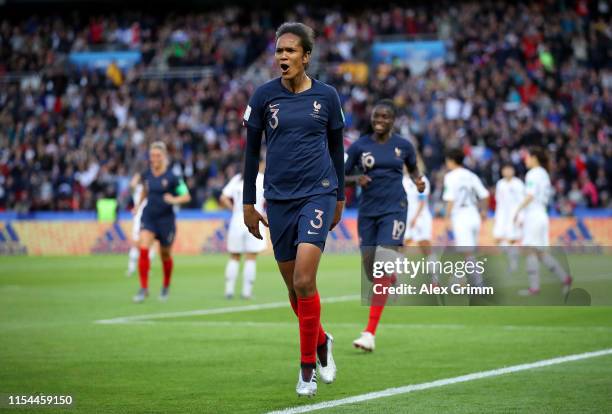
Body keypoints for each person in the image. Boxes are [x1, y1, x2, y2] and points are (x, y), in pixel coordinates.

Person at [242, 22, 345, 397]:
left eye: (289, 51)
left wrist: (340, 197)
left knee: (304, 280)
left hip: (318, 193)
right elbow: (252, 152)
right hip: (278, 199)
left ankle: (306, 371)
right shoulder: (263, 96)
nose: (282, 57)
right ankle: (321, 341)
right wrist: (248, 203)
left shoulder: (328, 97)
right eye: (278, 51)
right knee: (293, 288)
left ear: (306, 57)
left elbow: (337, 149)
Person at [344, 100, 424, 353]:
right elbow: (341, 174)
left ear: (393, 120)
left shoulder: (403, 146)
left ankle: (369, 333)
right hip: (368, 211)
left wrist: (418, 181)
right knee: (370, 267)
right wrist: (357, 178)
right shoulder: (359, 146)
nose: (379, 120)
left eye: (385, 116)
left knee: (381, 265)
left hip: (395, 208)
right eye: (376, 116)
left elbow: (413, 169)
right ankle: (391, 279)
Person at [133, 141, 191, 303]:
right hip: (149, 217)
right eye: (152, 156)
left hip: (166, 220)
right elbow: (145, 191)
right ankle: (143, 288)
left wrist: (173, 199)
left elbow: (186, 196)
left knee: (164, 254)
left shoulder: (173, 177)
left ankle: (165, 286)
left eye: (158, 155)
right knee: (143, 247)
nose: (154, 159)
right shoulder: (147, 175)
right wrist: (137, 206)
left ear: (164, 157)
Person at [513, 147, 572, 296]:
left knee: (530, 250)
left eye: (527, 157)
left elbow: (530, 195)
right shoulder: (544, 173)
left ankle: (534, 288)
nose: (525, 160)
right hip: (542, 214)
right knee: (539, 253)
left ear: (534, 158)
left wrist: (518, 210)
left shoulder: (533, 174)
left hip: (534, 215)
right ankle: (564, 278)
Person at [442, 148, 490, 286]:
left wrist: (446, 218)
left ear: (451, 161)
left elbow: (450, 199)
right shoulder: (471, 175)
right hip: (474, 215)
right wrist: (484, 211)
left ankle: (477, 284)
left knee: (466, 252)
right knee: (467, 252)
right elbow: (485, 195)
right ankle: (461, 280)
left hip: (460, 216)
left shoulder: (450, 177)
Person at [219, 161, 266, 299]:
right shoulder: (262, 179)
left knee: (234, 255)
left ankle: (229, 290)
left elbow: (223, 197)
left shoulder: (238, 178)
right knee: (251, 256)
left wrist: (233, 208)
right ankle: (246, 292)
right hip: (255, 218)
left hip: (238, 218)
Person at [402, 162, 438, 284]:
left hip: (421, 218)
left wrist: (415, 218)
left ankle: (435, 280)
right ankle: (395, 280)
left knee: (426, 248)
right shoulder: (404, 180)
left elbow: (422, 201)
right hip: (407, 218)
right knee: (400, 247)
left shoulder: (422, 179)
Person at [493, 164, 525, 273]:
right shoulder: (500, 184)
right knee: (498, 239)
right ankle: (512, 260)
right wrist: (497, 216)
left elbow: (522, 201)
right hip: (502, 215)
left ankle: (513, 264)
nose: (507, 171)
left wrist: (521, 216)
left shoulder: (518, 184)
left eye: (509, 169)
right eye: (505, 169)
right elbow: (498, 201)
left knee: (512, 239)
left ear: (513, 170)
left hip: (514, 215)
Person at [126, 173, 155, 277]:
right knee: (136, 243)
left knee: (149, 244)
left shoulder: (150, 188)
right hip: (138, 218)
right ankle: (131, 267)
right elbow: (131, 185)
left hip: (150, 217)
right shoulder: (137, 188)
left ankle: (147, 268)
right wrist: (138, 175)